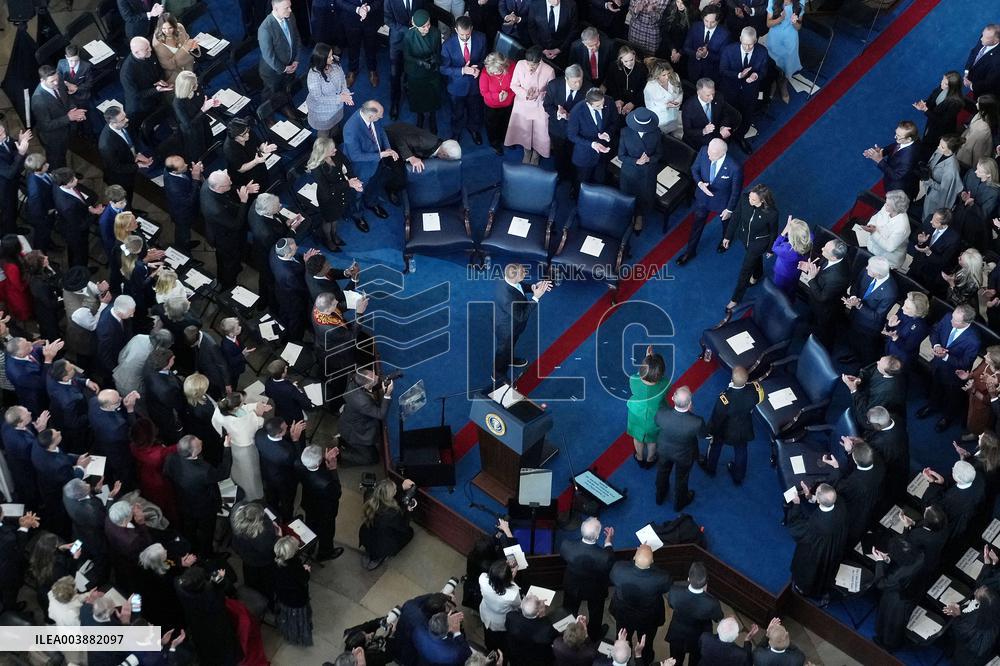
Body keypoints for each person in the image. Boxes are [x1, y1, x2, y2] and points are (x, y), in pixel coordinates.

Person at [163, 434, 232, 555]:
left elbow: (167, 473)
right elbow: (224, 473)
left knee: (189, 528)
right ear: (194, 453)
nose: (201, 440)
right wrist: (227, 448)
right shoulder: (203, 470)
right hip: (204, 507)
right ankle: (207, 554)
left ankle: (191, 549)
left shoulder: (171, 458)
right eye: (198, 443)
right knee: (207, 531)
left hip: (184, 502)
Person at [678, 138, 743, 265]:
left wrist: (729, 209)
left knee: (726, 225)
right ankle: (690, 251)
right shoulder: (704, 151)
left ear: (723, 153)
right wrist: (700, 183)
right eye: (708, 152)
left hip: (722, 203)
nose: (708, 156)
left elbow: (736, 191)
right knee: (697, 225)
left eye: (712, 154)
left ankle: (726, 240)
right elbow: (694, 168)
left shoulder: (735, 168)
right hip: (703, 198)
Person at [917, 305, 981, 432]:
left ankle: (947, 417)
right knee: (935, 387)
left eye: (955, 320)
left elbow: (965, 363)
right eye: (952, 317)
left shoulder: (974, 340)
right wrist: (936, 345)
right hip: (937, 365)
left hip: (954, 375)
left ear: (966, 323)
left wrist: (946, 357)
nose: (951, 321)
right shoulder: (948, 317)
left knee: (952, 398)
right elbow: (935, 331)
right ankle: (933, 405)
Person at [701, 366, 763, 485]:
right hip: (744, 428)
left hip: (725, 430)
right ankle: (738, 476)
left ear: (732, 379)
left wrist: (709, 431)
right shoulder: (755, 389)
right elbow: (759, 400)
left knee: (715, 446)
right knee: (741, 451)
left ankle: (710, 468)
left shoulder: (724, 398)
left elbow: (716, 418)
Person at [608, 544, 671, 663]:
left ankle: (623, 658)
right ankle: (645, 659)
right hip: (648, 618)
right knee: (646, 642)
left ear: (634, 557)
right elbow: (666, 588)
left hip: (624, 614)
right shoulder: (661, 577)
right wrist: (647, 554)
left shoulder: (618, 569)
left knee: (623, 638)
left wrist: (640, 552)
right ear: (652, 561)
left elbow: (612, 578)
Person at [786, 483, 849, 601]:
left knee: (809, 571)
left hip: (816, 552)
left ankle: (802, 589)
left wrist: (797, 504)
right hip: (833, 547)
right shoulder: (841, 503)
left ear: (819, 501)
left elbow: (797, 528)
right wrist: (810, 496)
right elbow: (825, 501)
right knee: (824, 572)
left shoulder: (817, 524)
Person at [722, 184, 779, 307]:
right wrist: (728, 236)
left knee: (745, 271)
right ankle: (758, 274)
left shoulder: (771, 213)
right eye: (750, 197)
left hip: (758, 243)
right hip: (745, 238)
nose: (750, 201)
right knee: (755, 259)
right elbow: (736, 217)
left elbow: (773, 232)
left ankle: (735, 299)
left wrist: (771, 249)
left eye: (753, 200)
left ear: (762, 200)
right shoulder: (744, 198)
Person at [493, 263, 552, 382]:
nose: (526, 273)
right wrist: (536, 297)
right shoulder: (507, 298)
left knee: (509, 347)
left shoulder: (508, 278)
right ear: (515, 277)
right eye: (523, 273)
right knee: (503, 350)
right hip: (507, 329)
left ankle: (509, 359)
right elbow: (521, 316)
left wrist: (534, 287)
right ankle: (497, 374)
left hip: (513, 325)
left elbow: (519, 287)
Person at [559, 517, 614, 642]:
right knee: (596, 613)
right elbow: (609, 560)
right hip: (595, 589)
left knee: (569, 610)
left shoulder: (566, 545)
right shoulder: (604, 556)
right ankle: (594, 635)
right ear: (598, 536)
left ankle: (568, 632)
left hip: (572, 586)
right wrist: (608, 542)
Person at [199, 170, 255, 289]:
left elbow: (230, 187)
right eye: (228, 183)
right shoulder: (215, 209)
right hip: (224, 238)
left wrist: (244, 189)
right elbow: (236, 225)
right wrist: (243, 201)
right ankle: (228, 286)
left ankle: (228, 273)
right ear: (219, 187)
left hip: (221, 229)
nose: (231, 182)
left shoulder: (209, 183)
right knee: (229, 262)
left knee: (224, 258)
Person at [342, 100, 397, 219]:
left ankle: (371, 203)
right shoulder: (351, 129)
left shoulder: (370, 115)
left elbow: (381, 131)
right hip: (361, 168)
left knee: (374, 185)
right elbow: (355, 156)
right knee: (357, 194)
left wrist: (387, 148)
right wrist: (380, 155)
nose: (381, 117)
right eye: (379, 116)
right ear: (371, 116)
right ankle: (357, 215)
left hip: (376, 163)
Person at [841, 255, 898, 368]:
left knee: (865, 349)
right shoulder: (867, 270)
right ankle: (852, 355)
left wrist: (858, 305)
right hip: (855, 316)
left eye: (869, 268)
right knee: (853, 338)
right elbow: (856, 285)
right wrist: (853, 297)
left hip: (869, 326)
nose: (866, 268)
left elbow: (877, 316)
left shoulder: (890, 292)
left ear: (878, 274)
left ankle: (863, 368)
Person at [719, 26, 769, 153]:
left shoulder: (762, 52)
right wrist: (739, 75)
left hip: (750, 91)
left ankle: (740, 136)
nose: (747, 47)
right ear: (740, 38)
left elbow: (763, 71)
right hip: (730, 90)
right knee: (728, 115)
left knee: (747, 115)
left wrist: (756, 75)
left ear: (755, 41)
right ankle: (724, 140)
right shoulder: (728, 50)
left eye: (750, 44)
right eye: (744, 43)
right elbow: (723, 70)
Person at [655, 386, 705, 510]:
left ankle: (660, 496)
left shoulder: (661, 413)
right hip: (684, 455)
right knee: (682, 478)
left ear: (672, 398)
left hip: (664, 450)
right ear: (690, 404)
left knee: (662, 472)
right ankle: (679, 503)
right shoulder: (697, 422)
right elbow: (703, 435)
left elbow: (656, 423)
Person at [308, 137, 366, 244]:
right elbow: (327, 190)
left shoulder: (335, 153)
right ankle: (329, 240)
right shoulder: (316, 169)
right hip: (328, 199)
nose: (335, 150)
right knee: (328, 220)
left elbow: (347, 165)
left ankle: (334, 235)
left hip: (341, 193)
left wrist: (354, 180)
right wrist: (349, 184)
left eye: (334, 147)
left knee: (336, 217)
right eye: (332, 149)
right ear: (324, 153)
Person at [505, 47, 557, 165]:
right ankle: (527, 152)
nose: (530, 67)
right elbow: (513, 85)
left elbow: (551, 92)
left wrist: (539, 95)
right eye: (528, 63)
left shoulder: (549, 70)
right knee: (525, 130)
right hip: (523, 103)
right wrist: (526, 95)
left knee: (539, 131)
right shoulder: (520, 64)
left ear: (540, 61)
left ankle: (536, 154)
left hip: (539, 105)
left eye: (533, 64)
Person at [665, 562, 724, 665]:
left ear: (688, 578)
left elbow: (671, 605)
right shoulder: (712, 603)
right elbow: (718, 617)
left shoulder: (674, 591)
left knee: (675, 661)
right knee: (695, 661)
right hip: (699, 637)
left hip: (677, 634)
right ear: (706, 583)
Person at [384, 123, 463, 200]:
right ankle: (391, 189)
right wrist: (410, 157)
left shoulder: (440, 145)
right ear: (444, 154)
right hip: (392, 140)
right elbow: (399, 139)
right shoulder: (424, 143)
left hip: (406, 139)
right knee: (400, 178)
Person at [212, 393, 268, 501]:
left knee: (238, 465)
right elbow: (258, 422)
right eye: (242, 402)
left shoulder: (222, 405)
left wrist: (255, 405)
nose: (244, 403)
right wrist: (259, 412)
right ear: (235, 408)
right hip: (246, 448)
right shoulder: (242, 422)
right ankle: (254, 494)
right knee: (251, 471)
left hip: (234, 443)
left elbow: (215, 421)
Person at [30, 66, 86, 170]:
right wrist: (69, 117)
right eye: (52, 81)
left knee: (63, 154)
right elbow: (46, 125)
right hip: (53, 138)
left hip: (65, 131)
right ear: (42, 80)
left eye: (57, 79)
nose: (56, 83)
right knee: (56, 162)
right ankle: (61, 176)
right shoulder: (38, 100)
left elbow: (67, 99)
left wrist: (74, 110)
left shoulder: (57, 80)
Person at [441, 16, 486, 144]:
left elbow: (484, 59)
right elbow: (443, 69)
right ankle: (456, 132)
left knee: (475, 110)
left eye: (467, 34)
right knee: (457, 112)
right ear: (456, 30)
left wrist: (479, 68)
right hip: (456, 86)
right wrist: (462, 70)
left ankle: (474, 129)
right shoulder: (448, 45)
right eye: (462, 34)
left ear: (471, 29)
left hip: (475, 84)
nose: (465, 37)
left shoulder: (481, 38)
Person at [618, 107, 663, 231]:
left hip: (648, 171)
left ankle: (639, 215)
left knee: (645, 195)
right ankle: (628, 213)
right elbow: (621, 155)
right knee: (628, 194)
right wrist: (636, 161)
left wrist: (649, 159)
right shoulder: (625, 132)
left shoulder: (656, 133)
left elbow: (659, 154)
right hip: (630, 171)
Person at [297, 444, 345, 561]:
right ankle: (325, 552)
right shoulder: (326, 481)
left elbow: (314, 467)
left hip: (309, 504)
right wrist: (333, 469)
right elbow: (337, 493)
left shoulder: (300, 466)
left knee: (310, 525)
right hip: (325, 511)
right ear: (319, 462)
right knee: (327, 532)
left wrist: (324, 460)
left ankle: (310, 547)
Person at [51, 168, 105, 268]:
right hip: (75, 232)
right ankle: (81, 271)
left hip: (73, 218)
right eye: (72, 180)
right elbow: (80, 225)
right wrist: (96, 213)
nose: (76, 180)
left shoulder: (59, 184)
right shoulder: (67, 206)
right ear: (64, 184)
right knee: (80, 254)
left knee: (74, 251)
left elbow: (79, 199)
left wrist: (89, 207)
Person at [338, 367, 393, 465]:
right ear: (366, 385)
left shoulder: (355, 380)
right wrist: (387, 394)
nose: (377, 377)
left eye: (374, 374)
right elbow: (380, 414)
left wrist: (388, 378)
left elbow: (372, 384)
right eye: (374, 379)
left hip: (349, 421)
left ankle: (345, 442)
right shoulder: (362, 401)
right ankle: (339, 456)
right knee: (372, 459)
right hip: (355, 433)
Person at [120, 37, 173, 138]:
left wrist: (161, 80)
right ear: (137, 52)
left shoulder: (148, 54)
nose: (150, 49)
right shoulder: (127, 72)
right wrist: (155, 90)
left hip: (155, 95)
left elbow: (158, 69)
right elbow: (135, 95)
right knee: (148, 128)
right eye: (147, 49)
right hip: (141, 106)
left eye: (149, 46)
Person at [921, 460, 985, 542]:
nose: (952, 468)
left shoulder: (949, 501)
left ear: (957, 478)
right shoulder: (980, 478)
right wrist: (943, 482)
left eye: (954, 469)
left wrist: (933, 483)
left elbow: (930, 507)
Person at [627, 348, 670, 468]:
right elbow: (663, 382)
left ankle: (639, 457)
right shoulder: (665, 384)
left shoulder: (633, 380)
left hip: (636, 414)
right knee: (653, 440)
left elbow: (639, 375)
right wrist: (653, 365)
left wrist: (648, 360)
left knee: (638, 438)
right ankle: (650, 459)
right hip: (655, 418)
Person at [359, 478, 415, 568]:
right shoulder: (392, 514)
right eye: (395, 490)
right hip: (383, 544)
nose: (396, 490)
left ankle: (370, 552)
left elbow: (386, 495)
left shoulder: (369, 496)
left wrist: (401, 487)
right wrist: (408, 512)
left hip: (366, 535)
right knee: (410, 532)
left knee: (374, 537)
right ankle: (380, 556)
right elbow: (403, 527)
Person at [255, 418, 304, 521]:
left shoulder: (259, 435)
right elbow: (297, 461)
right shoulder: (286, 452)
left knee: (271, 498)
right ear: (278, 434)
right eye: (285, 428)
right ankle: (287, 519)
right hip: (283, 480)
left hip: (267, 475)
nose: (287, 426)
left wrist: (288, 433)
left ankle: (273, 516)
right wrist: (295, 439)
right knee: (287, 502)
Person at [567, 87, 617, 187]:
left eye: (603, 103)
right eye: (598, 105)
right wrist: (592, 144)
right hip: (585, 155)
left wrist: (607, 133)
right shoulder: (577, 111)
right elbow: (572, 135)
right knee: (582, 183)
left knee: (601, 181)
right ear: (588, 103)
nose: (602, 107)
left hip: (603, 154)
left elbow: (615, 121)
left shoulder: (609, 101)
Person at [386, 0, 427, 119]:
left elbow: (424, 12)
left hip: (416, 40)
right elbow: (387, 19)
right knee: (395, 74)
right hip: (397, 41)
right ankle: (395, 102)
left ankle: (409, 90)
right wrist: (407, 30)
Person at [544, 64, 587, 180]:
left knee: (575, 157)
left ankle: (574, 181)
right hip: (557, 129)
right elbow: (547, 105)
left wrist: (570, 116)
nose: (578, 85)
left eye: (580, 80)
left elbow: (588, 114)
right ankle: (560, 176)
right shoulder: (554, 85)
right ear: (566, 79)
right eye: (574, 82)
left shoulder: (588, 89)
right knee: (559, 156)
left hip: (577, 131)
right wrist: (557, 113)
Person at [403, 11, 443, 133]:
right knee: (417, 95)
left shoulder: (436, 32)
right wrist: (419, 62)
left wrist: (435, 59)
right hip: (416, 69)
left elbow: (439, 51)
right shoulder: (409, 35)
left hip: (431, 68)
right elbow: (407, 55)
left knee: (433, 94)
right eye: (423, 26)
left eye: (428, 24)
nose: (427, 28)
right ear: (416, 26)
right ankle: (420, 115)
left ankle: (432, 116)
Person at [270, 238, 316, 342]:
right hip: (293, 300)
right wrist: (307, 265)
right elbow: (301, 288)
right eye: (295, 248)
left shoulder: (274, 250)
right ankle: (295, 341)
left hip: (280, 291)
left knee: (284, 314)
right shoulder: (289, 274)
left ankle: (284, 332)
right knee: (296, 322)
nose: (297, 247)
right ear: (287, 253)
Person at [862, 122, 921, 200]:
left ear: (909, 139)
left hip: (899, 190)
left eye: (898, 136)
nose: (895, 137)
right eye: (896, 133)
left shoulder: (909, 157)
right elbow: (894, 147)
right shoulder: (907, 141)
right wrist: (880, 151)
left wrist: (879, 160)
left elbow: (896, 176)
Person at [306, 43, 353, 138]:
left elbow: (343, 79)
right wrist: (340, 98)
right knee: (324, 135)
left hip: (337, 107)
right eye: (329, 57)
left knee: (335, 127)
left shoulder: (334, 62)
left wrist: (345, 92)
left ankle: (335, 141)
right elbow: (318, 98)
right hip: (323, 112)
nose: (332, 58)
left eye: (331, 54)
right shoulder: (313, 76)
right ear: (321, 59)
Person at [258, 0, 303, 100]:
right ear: (275, 8)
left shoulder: (290, 16)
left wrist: (296, 59)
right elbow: (268, 56)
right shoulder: (265, 29)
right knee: (273, 97)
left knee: (288, 90)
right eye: (286, 8)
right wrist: (284, 69)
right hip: (273, 72)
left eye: (290, 6)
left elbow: (297, 38)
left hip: (290, 64)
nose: (290, 10)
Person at [273, 535, 313, 645]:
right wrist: (307, 571)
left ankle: (286, 631)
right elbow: (304, 579)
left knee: (286, 617)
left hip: (282, 597)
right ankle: (297, 636)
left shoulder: (276, 561)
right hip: (296, 601)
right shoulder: (295, 566)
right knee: (297, 622)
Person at [913, 71, 965, 154]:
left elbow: (943, 122)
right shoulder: (941, 88)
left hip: (940, 131)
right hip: (932, 123)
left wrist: (926, 110)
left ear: (952, 87)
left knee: (931, 147)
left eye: (945, 83)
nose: (941, 83)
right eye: (942, 80)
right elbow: (932, 100)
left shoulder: (955, 103)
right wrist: (924, 104)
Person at [172, 71, 218, 163]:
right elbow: (188, 124)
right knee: (198, 150)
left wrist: (211, 103)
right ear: (186, 88)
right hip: (192, 130)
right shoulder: (178, 103)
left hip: (202, 120)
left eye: (196, 82)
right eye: (193, 86)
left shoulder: (197, 86)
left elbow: (202, 100)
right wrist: (203, 110)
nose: (197, 86)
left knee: (209, 139)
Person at [478, 558, 522, 652]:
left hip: (485, 612)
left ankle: (489, 647)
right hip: (500, 621)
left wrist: (502, 568)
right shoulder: (513, 593)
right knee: (501, 639)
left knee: (487, 633)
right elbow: (518, 605)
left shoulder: (482, 579)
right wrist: (512, 579)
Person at [860, 189, 911, 269]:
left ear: (894, 208)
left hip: (886, 259)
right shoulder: (887, 207)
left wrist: (873, 232)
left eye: (887, 204)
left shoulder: (902, 226)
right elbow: (876, 216)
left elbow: (889, 247)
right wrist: (871, 225)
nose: (885, 204)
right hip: (873, 247)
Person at [338, 0, 382, 90]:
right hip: (350, 19)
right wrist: (357, 9)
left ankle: (372, 69)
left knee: (371, 46)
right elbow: (339, 1)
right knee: (352, 47)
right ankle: (352, 70)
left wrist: (368, 8)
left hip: (371, 18)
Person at [681, 77, 737, 149]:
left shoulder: (719, 97)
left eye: (713, 94)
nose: (712, 98)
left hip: (717, 132)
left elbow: (725, 115)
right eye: (708, 95)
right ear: (698, 93)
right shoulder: (688, 107)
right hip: (698, 139)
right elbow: (687, 131)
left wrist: (723, 127)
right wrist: (703, 131)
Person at [162, 155, 203, 251]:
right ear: (174, 171)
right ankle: (183, 249)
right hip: (182, 215)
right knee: (183, 232)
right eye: (182, 166)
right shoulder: (174, 187)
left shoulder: (169, 170)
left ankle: (184, 243)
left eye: (184, 162)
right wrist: (196, 178)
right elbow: (189, 201)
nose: (186, 165)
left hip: (179, 209)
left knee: (182, 231)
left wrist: (194, 171)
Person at [765, 0, 803, 103]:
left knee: (788, 64)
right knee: (773, 64)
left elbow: (799, 27)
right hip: (775, 37)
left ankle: (783, 85)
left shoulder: (800, 2)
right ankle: (773, 83)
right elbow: (768, 24)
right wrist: (780, 18)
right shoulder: (773, 1)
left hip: (791, 38)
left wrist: (795, 22)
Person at [683, 4, 730, 83]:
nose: (709, 25)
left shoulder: (725, 34)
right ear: (702, 18)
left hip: (712, 74)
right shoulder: (695, 26)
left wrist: (706, 55)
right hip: (693, 70)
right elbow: (686, 47)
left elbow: (723, 58)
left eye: (713, 22)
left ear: (718, 20)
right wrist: (696, 54)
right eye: (706, 21)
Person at [504, 595, 559, 663]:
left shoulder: (510, 616)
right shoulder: (546, 628)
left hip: (517, 652)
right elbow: (555, 637)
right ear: (538, 613)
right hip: (536, 657)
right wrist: (543, 614)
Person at [480, 52, 516, 156]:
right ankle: (495, 143)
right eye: (492, 72)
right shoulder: (485, 73)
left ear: (503, 66)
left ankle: (506, 140)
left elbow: (517, 84)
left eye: (497, 71)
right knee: (492, 126)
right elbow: (484, 92)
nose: (494, 73)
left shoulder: (512, 67)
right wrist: (497, 96)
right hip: (492, 106)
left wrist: (508, 94)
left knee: (506, 123)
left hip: (508, 103)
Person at [921, 134, 965, 220]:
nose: (938, 147)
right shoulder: (941, 152)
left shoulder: (951, 169)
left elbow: (944, 190)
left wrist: (928, 180)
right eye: (939, 144)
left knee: (928, 218)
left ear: (950, 150)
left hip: (936, 199)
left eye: (942, 147)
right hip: (929, 192)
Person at [224, 118, 274, 191]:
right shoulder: (229, 149)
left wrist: (264, 148)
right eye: (243, 135)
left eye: (247, 131)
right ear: (235, 137)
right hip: (245, 175)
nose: (247, 135)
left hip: (257, 162)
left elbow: (259, 143)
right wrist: (255, 162)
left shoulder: (246, 131)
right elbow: (241, 169)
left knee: (266, 181)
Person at [883, 291, 930, 367]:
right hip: (890, 346)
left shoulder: (921, 328)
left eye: (907, 308)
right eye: (905, 304)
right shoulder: (903, 311)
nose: (902, 307)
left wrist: (896, 338)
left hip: (901, 358)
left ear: (917, 312)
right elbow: (890, 329)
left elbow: (909, 348)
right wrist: (889, 325)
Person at [0, 125, 30, 237]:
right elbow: (9, 174)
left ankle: (13, 228)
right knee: (7, 212)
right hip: (3, 189)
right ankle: (10, 235)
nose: (4, 134)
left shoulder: (7, 139)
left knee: (13, 208)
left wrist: (20, 142)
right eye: (0, 134)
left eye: (3, 130)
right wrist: (21, 153)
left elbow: (14, 153)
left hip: (12, 184)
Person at [527, 0, 578, 65]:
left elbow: (573, 30)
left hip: (563, 52)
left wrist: (559, 49)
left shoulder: (571, 5)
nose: (556, 1)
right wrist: (542, 49)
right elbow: (532, 29)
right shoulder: (535, 4)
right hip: (541, 53)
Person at [606, 46, 649, 124]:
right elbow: (611, 84)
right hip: (618, 98)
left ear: (634, 56)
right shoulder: (614, 66)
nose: (629, 63)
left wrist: (633, 103)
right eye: (625, 61)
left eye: (631, 60)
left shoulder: (642, 68)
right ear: (621, 59)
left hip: (636, 99)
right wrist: (617, 99)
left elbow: (643, 88)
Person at [957, 94, 999, 171]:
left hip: (966, 160)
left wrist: (975, 170)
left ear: (984, 108)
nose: (976, 104)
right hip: (965, 152)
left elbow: (978, 153)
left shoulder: (983, 130)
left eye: (978, 103)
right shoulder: (983, 115)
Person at [151, 13, 198, 83]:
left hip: (189, 64)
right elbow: (169, 66)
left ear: (175, 26)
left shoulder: (180, 27)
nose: (167, 31)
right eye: (163, 28)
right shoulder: (157, 43)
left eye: (170, 28)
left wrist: (192, 46)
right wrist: (184, 50)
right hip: (175, 73)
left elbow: (188, 42)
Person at [644, 59, 684, 138]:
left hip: (676, 113)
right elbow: (649, 108)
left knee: (678, 137)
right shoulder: (650, 87)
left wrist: (678, 101)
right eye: (663, 75)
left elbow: (680, 92)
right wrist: (665, 106)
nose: (667, 77)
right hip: (661, 119)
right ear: (657, 75)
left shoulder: (675, 76)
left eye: (668, 73)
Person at [0, 236, 31, 323]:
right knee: (24, 310)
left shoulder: (13, 256)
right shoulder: (11, 267)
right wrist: (29, 281)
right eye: (19, 242)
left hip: (21, 288)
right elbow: (18, 286)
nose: (21, 243)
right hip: (18, 294)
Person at [964, 24, 1000, 99]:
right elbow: (974, 52)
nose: (981, 39)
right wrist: (967, 71)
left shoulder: (997, 61)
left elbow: (990, 82)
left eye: (986, 38)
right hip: (974, 78)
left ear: (995, 41)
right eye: (982, 35)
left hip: (983, 92)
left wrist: (971, 85)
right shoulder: (985, 38)